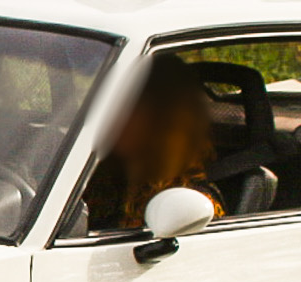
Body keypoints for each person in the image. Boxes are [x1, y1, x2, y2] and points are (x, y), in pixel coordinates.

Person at [84, 55, 225, 231]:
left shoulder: (191, 200)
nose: (113, 118)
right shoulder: (101, 175)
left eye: (130, 108)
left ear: (166, 122)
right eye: (112, 105)